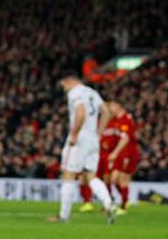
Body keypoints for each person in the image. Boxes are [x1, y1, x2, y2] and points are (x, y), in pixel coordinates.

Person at [49, 75, 116, 224]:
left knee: (68, 174)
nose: (63, 88)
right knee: (91, 176)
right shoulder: (92, 92)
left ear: (69, 81)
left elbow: (80, 112)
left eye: (63, 85)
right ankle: (108, 204)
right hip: (93, 138)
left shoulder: (75, 92)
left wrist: (74, 134)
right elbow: (106, 111)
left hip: (80, 138)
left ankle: (63, 216)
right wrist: (99, 133)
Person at [106, 101, 138, 214]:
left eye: (111, 106)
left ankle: (124, 207)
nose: (110, 108)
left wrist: (115, 152)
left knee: (122, 179)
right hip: (120, 153)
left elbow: (126, 138)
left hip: (128, 153)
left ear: (118, 106)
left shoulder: (125, 120)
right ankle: (125, 199)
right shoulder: (116, 121)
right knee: (113, 179)